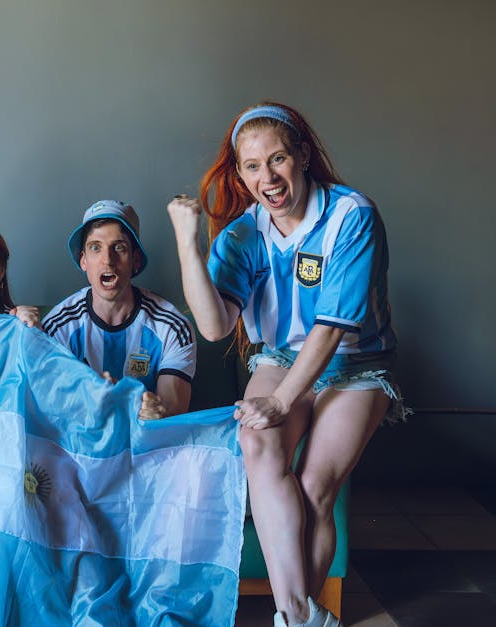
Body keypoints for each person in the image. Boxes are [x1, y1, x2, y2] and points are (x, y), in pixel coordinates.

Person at [167, 102, 406, 627]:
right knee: (256, 441)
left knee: (315, 485)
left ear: (302, 155)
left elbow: (333, 327)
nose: (267, 178)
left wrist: (279, 400)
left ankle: (299, 615)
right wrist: (188, 244)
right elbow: (213, 325)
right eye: (252, 166)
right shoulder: (243, 234)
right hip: (282, 356)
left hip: (353, 363)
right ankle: (297, 615)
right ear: (240, 172)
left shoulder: (352, 216)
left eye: (277, 160)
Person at [42, 200, 196, 420]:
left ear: (135, 260)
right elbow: (49, 408)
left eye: (119, 247)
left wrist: (154, 410)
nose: (108, 260)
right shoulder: (58, 327)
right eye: (96, 247)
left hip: (146, 446)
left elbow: (173, 408)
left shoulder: (172, 326)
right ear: (83, 260)